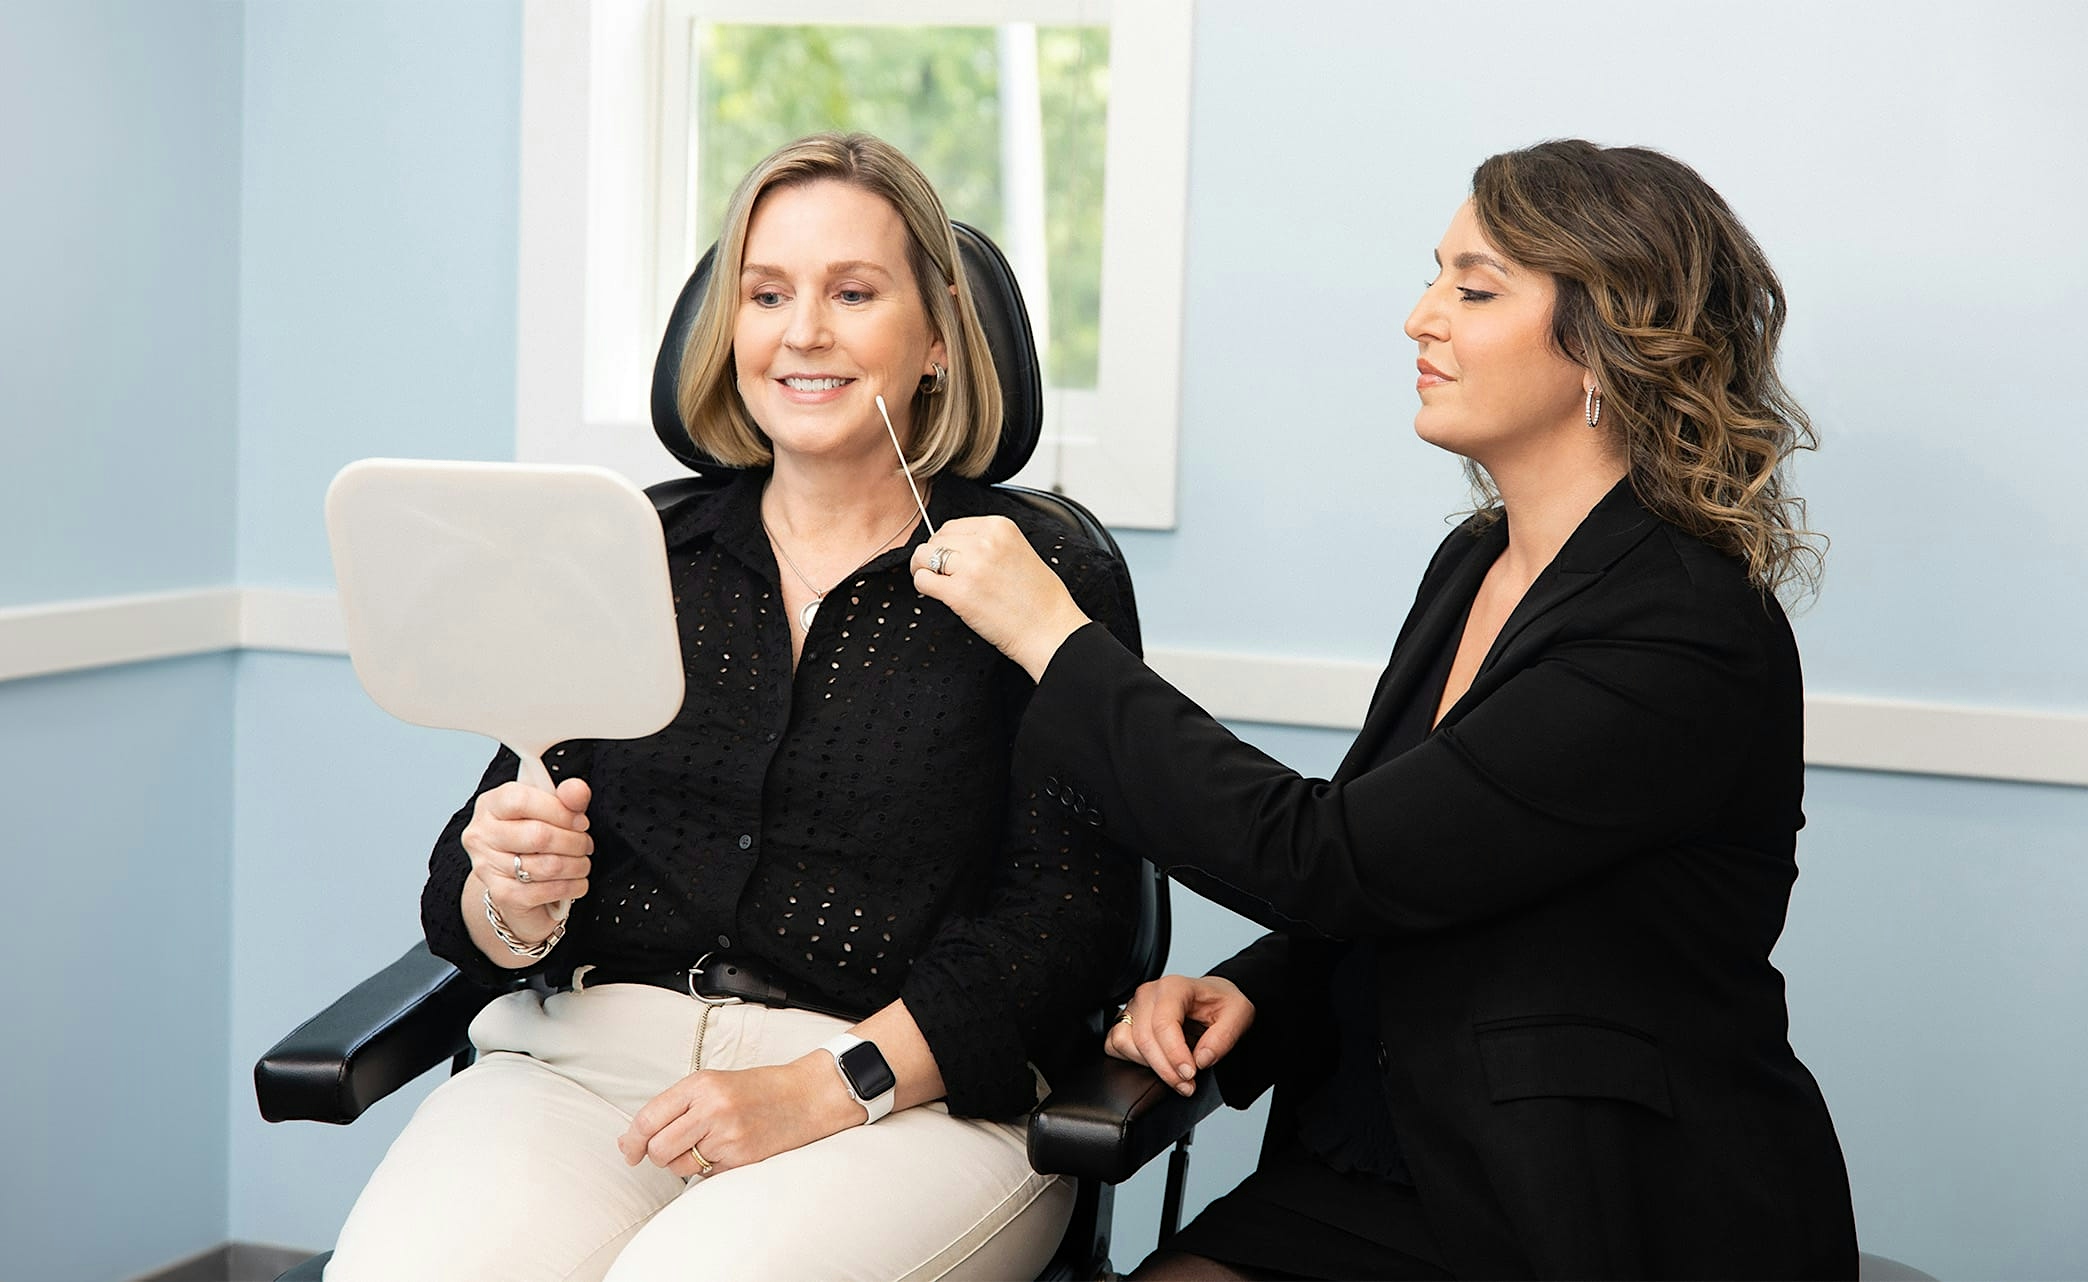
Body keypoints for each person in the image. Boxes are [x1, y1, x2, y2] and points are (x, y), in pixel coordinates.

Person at [911, 139, 1856, 1280]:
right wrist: (1259, 986)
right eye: (1434, 276)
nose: (1421, 316)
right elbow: (1424, 869)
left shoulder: (1682, 631)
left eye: (1473, 286)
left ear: (1607, 334)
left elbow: (1331, 855)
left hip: (1584, 1201)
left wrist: (1052, 638)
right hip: (1380, 1163)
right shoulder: (1477, 562)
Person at [327, 133, 1139, 1282]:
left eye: (852, 292)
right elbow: (470, 913)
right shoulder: (631, 549)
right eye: (767, 293)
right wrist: (508, 893)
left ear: (940, 338)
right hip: (583, 1071)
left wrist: (822, 1088)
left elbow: (1067, 925)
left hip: (903, 1095)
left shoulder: (1035, 573)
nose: (803, 330)